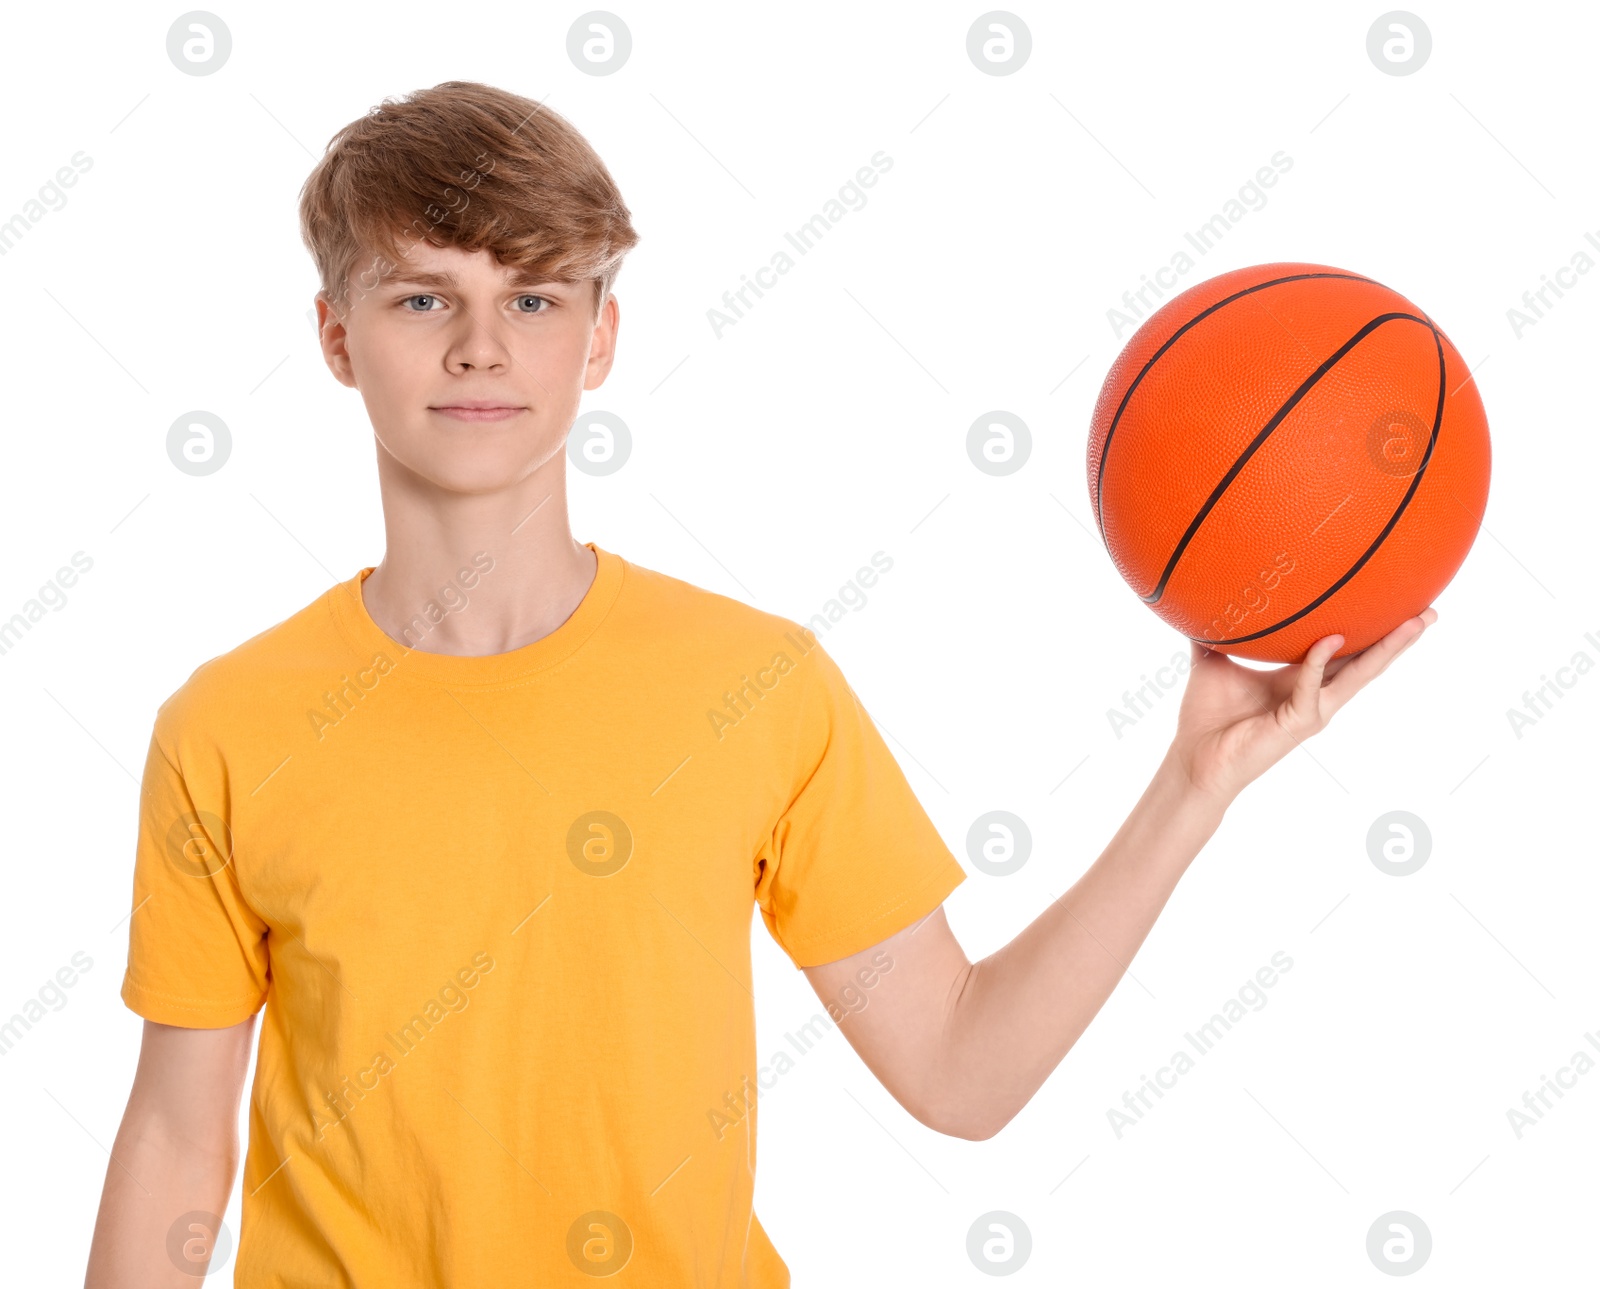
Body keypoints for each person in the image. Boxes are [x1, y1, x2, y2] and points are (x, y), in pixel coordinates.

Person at [84, 80, 1433, 1287]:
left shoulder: (752, 686)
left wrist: (1194, 786)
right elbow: (175, 1135)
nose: (481, 347)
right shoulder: (233, 723)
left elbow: (960, 1072)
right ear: (336, 335)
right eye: (424, 295)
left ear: (600, 338)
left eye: (535, 296)